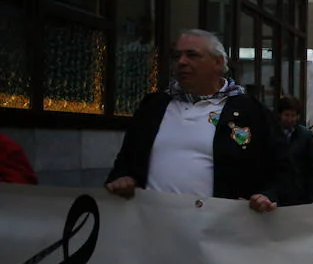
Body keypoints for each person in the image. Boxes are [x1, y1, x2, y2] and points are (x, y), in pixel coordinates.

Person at [106, 29, 289, 212]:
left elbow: (283, 169)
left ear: (218, 63)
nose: (182, 62)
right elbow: (126, 158)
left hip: (218, 229)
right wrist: (123, 177)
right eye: (177, 56)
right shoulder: (154, 106)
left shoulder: (250, 111)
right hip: (153, 225)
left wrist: (268, 195)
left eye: (192, 55)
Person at [277, 96, 313, 205]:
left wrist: (311, 194)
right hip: (276, 193)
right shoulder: (271, 133)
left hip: (299, 194)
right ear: (280, 115)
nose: (290, 119)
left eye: (293, 116)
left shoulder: (305, 136)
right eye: (286, 115)